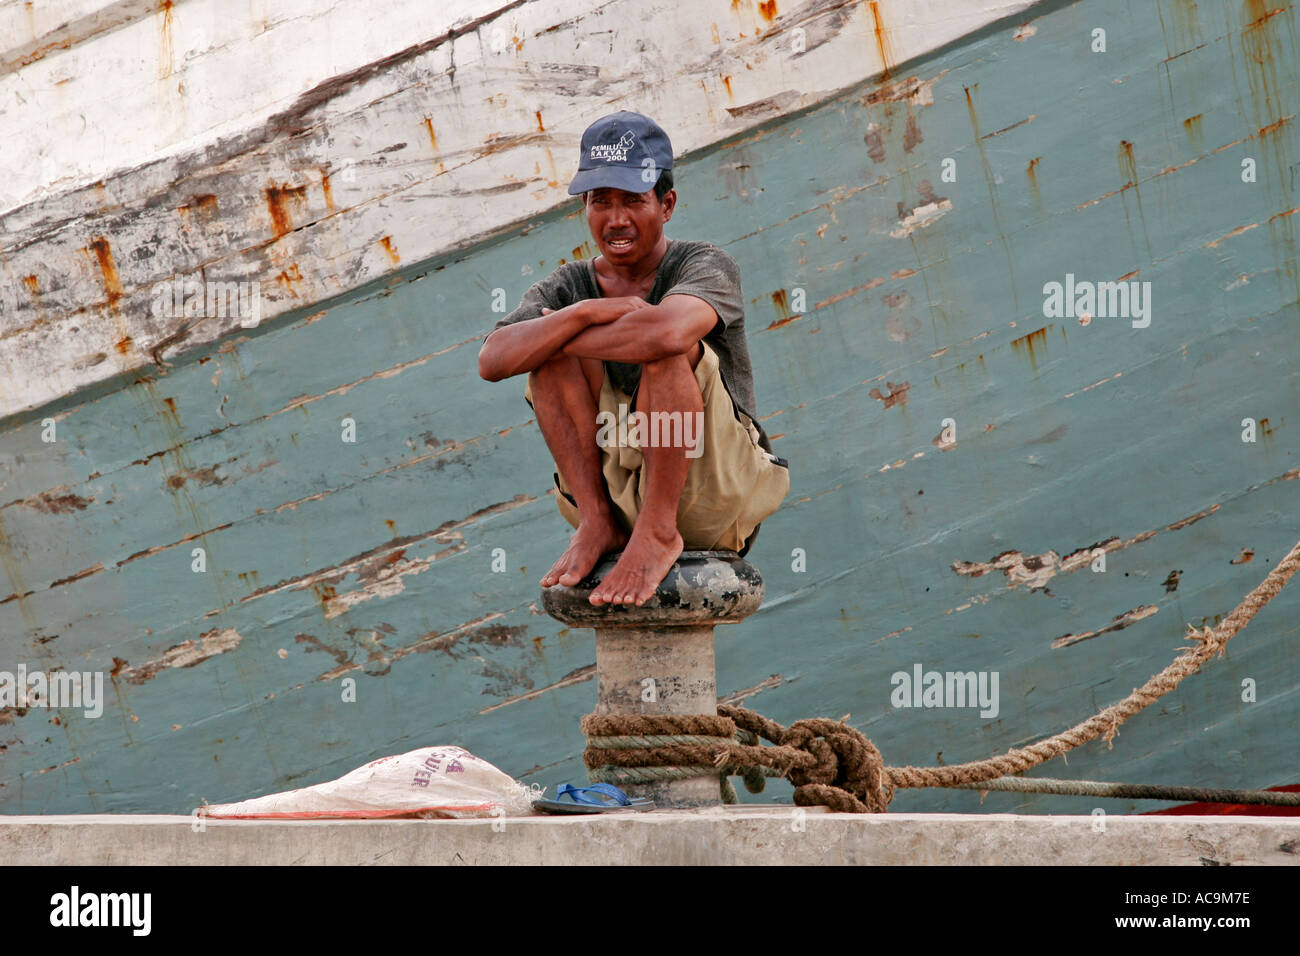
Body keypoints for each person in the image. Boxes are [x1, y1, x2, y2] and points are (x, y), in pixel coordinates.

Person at [478, 111, 789, 607]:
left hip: (707, 487)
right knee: (544, 355)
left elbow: (666, 332)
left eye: (633, 201)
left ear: (666, 205)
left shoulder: (704, 264)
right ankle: (597, 522)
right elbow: (493, 360)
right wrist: (580, 313)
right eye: (601, 202)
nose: (616, 219)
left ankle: (659, 531)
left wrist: (559, 331)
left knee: (667, 350)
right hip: (613, 496)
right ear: (584, 205)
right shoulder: (566, 287)